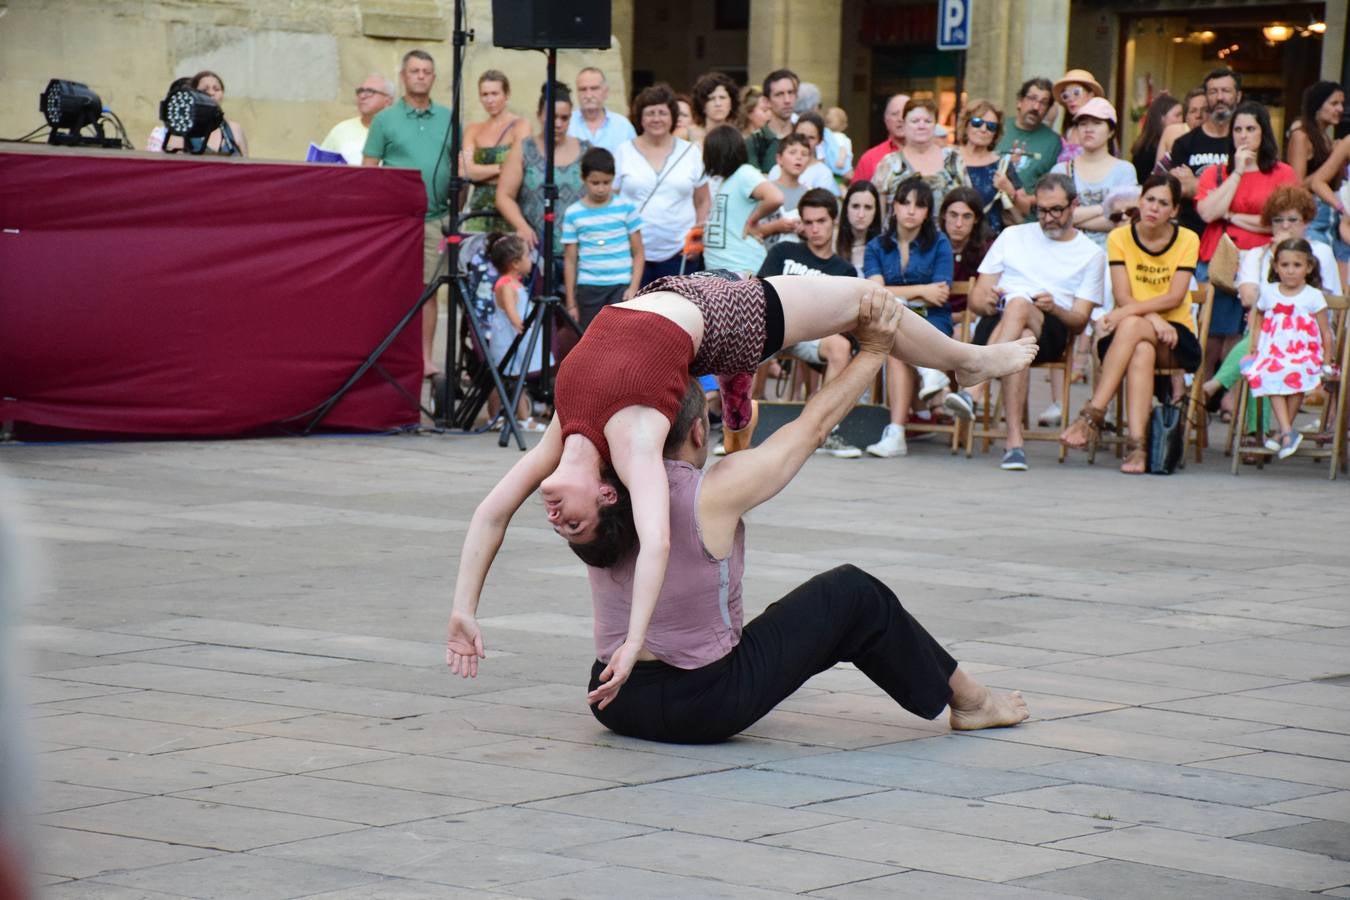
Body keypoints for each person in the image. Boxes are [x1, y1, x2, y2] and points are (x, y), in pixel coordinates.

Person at [445, 274, 1037, 705]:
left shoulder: (563, 434)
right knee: (864, 301)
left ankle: (736, 405)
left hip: (680, 314)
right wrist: (632, 645)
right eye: (574, 526)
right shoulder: (631, 446)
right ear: (607, 494)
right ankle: (966, 361)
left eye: (562, 526)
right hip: (715, 310)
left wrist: (463, 610)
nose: (554, 521)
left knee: (800, 350)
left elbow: (490, 515)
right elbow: (656, 543)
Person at [1059, 175, 1200, 473]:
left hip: (1175, 335)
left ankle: (1092, 415)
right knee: (1141, 350)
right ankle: (1138, 448)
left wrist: (1129, 315)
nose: (1154, 208)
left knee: (1133, 329)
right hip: (1134, 333)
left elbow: (1175, 296)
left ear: (1174, 210)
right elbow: (1123, 295)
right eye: (1150, 200)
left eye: (1163, 204)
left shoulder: (1187, 239)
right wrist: (1148, 318)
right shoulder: (1120, 238)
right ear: (1140, 201)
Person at [970, 173, 1106, 471]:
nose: (1048, 218)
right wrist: (988, 301)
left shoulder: (1091, 254)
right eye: (1041, 210)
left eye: (1056, 210)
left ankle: (974, 390)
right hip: (1000, 323)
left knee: (1020, 306)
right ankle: (1014, 443)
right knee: (1021, 331)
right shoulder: (1012, 236)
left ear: (1074, 205)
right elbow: (976, 300)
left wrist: (1054, 307)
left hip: (1054, 327)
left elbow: (1080, 321)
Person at [1201, 186, 1341, 435]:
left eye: (1292, 219)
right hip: (1267, 332)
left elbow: (1333, 301)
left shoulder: (1320, 253)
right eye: (1278, 220)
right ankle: (1260, 432)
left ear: (1306, 221)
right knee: (1261, 348)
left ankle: (1215, 387)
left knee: (1262, 352)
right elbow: (1249, 297)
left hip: (1308, 338)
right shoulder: (1258, 255)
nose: (1285, 226)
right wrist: (1276, 259)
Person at [1195, 100, 1296, 405]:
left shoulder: (1282, 173)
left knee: (1250, 332)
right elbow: (1208, 212)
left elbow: (1283, 223)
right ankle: (1206, 395)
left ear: (1264, 132)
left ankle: (1233, 400)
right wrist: (1237, 173)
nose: (1243, 136)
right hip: (1221, 257)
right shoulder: (1216, 172)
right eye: (1237, 129)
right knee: (1213, 334)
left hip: (1266, 260)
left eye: (1251, 129)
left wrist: (1234, 216)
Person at [363, 50, 455, 378]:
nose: (420, 76)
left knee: (427, 289)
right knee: (393, 289)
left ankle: (425, 359)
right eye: (414, 70)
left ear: (433, 77)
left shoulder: (448, 117)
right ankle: (390, 353)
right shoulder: (385, 119)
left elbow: (457, 166)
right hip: (396, 221)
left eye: (426, 71)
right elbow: (370, 169)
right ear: (403, 76)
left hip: (436, 219)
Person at [863, 177, 966, 458]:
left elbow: (940, 295)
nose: (911, 211)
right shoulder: (876, 246)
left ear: (927, 212)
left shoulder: (940, 243)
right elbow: (875, 289)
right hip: (897, 319)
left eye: (919, 206)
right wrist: (921, 290)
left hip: (933, 320)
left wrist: (900, 294)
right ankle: (930, 377)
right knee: (894, 336)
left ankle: (896, 433)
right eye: (905, 203)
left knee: (894, 338)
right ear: (894, 206)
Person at [757, 189, 861, 457]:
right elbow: (761, 294)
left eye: (821, 221)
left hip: (814, 333)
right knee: (755, 333)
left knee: (840, 347)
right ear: (801, 223)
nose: (815, 229)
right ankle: (742, 426)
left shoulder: (844, 271)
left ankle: (824, 430)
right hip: (776, 328)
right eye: (809, 222)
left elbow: (844, 325)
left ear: (834, 221)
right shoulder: (783, 251)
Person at [1244, 238, 1332, 459]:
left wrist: (1327, 360)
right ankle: (1286, 431)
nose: (1290, 271)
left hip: (1305, 353)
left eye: (1297, 265)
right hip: (1273, 351)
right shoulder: (1269, 291)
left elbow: (1325, 332)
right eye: (1284, 265)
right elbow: (1258, 320)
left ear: (1308, 267)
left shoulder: (1313, 295)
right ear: (1276, 267)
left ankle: (1283, 433)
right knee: (1265, 371)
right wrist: (1254, 346)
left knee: (1295, 374)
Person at [614, 84, 710, 285]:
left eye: (662, 113)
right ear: (640, 117)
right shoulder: (623, 151)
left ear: (673, 117)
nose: (656, 118)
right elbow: (612, 200)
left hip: (680, 252)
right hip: (631, 251)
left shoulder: (690, 152)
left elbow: (703, 200)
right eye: (650, 113)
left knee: (676, 313)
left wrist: (698, 234)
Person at [496, 81, 589, 267]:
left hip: (580, 252)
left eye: (564, 118)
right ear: (539, 115)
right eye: (552, 117)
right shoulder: (525, 149)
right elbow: (504, 195)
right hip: (536, 251)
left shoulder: (586, 150)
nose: (558, 124)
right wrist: (522, 226)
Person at [562, 148, 644, 330]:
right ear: (583, 179)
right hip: (589, 287)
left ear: (614, 178)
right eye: (595, 182)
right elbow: (570, 260)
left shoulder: (626, 208)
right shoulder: (573, 214)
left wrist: (633, 287)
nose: (600, 188)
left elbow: (638, 253)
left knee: (620, 337)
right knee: (591, 337)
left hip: (621, 286)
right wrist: (571, 302)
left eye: (606, 182)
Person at [1163, 67, 1243, 238]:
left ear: (1238, 96)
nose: (1220, 97)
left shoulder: (1244, 142)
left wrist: (1196, 185)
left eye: (1226, 91)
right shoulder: (1184, 143)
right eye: (1213, 92)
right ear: (1206, 97)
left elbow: (1249, 189)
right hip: (1193, 236)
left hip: (1236, 234)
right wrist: (1227, 190)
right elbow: (1180, 189)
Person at [1050, 98, 1138, 250]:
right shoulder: (1060, 170)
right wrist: (1105, 208)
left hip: (1110, 257)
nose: (1088, 129)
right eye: (1083, 123)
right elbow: (1054, 217)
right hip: (1066, 255)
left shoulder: (1124, 170)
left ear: (1111, 131)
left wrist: (1072, 217)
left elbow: (1123, 219)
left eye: (1097, 123)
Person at [701, 125, 783, 275]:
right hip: (721, 269)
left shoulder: (744, 173)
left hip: (741, 268)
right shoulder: (726, 180)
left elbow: (775, 197)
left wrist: (752, 222)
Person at [485, 233, 546, 431]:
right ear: (515, 263)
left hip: (514, 339)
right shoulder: (506, 285)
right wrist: (519, 324)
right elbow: (510, 309)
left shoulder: (514, 282)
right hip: (507, 340)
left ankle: (522, 418)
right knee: (500, 379)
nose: (531, 260)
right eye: (528, 256)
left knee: (517, 379)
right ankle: (494, 417)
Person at [460, 70, 531, 234]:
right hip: (478, 213)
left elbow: (523, 168)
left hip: (512, 209)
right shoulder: (473, 130)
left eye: (495, 93)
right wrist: (503, 169)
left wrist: (479, 173)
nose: (490, 100)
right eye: (484, 94)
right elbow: (464, 170)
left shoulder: (520, 125)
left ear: (506, 95)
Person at [872, 98, 969, 213]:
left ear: (935, 125)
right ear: (904, 124)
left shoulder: (955, 160)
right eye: (915, 121)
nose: (921, 126)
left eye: (928, 121)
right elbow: (878, 212)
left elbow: (968, 203)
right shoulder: (889, 163)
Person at [1287, 81, 1345, 246]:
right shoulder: (1302, 136)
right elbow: (1296, 187)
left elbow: (1335, 185)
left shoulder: (1327, 139)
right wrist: (1333, 160)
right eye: (1334, 103)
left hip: (1331, 214)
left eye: (1342, 104)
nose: (1340, 109)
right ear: (1317, 106)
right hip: (1311, 215)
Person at [996, 78, 1062, 196]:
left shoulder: (1053, 142)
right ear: (1020, 101)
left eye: (1043, 102)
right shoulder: (997, 127)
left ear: (1047, 109)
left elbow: (1050, 190)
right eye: (1032, 98)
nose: (1036, 107)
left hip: (1026, 213)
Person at [956, 100, 1009, 234]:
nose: (983, 129)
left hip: (990, 241)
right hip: (953, 238)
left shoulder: (1002, 164)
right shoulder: (948, 158)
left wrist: (1010, 190)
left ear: (996, 133)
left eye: (991, 126)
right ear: (966, 124)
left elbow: (1024, 210)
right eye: (977, 122)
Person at [319, 74, 394, 165]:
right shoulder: (341, 130)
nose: (362, 96)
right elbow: (320, 168)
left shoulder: (398, 131)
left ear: (388, 101)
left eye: (370, 91)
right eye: (360, 91)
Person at [759, 133, 814, 245]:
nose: (799, 157)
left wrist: (805, 229)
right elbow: (751, 229)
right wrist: (776, 226)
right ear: (779, 159)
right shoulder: (765, 190)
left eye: (804, 154)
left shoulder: (810, 194)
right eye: (792, 152)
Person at [567, 67, 636, 152]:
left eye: (594, 88)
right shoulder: (567, 123)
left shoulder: (623, 126)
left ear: (605, 92)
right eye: (583, 89)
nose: (588, 95)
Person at [769, 112, 837, 195]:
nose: (805, 141)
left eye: (811, 138)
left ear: (819, 141)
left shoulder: (823, 174)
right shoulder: (777, 169)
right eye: (801, 135)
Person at [746, 69, 799, 173]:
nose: (787, 100)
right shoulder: (754, 141)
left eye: (791, 92)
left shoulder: (804, 136)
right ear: (767, 101)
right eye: (779, 94)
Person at [854, 93, 909, 185]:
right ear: (885, 120)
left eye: (905, 113)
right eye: (895, 114)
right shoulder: (869, 159)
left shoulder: (932, 156)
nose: (900, 119)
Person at [191, 70, 248, 156]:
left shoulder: (235, 129)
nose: (211, 93)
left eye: (216, 89)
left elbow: (246, 167)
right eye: (205, 89)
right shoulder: (183, 131)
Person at [1052, 69, 1104, 161]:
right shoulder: (1068, 131)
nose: (1071, 99)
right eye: (1065, 96)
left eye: (1076, 92)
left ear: (1091, 96)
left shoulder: (1102, 129)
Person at [1130, 94, 1182, 185]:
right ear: (1162, 118)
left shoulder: (1144, 144)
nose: (1181, 120)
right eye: (1177, 115)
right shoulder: (1148, 149)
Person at [838, 181, 883, 275]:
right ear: (846, 208)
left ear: (876, 212)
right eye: (855, 206)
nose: (861, 215)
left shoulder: (883, 247)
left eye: (868, 207)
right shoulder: (831, 242)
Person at [691, 72, 739, 138]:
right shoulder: (687, 135)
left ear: (731, 103)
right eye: (711, 99)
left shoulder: (739, 137)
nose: (718, 103)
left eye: (722, 97)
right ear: (701, 104)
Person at [822, 106, 854, 183]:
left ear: (843, 125)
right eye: (828, 115)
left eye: (834, 115)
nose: (828, 117)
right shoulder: (826, 135)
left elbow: (843, 149)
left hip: (839, 166)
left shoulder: (839, 137)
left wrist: (841, 160)